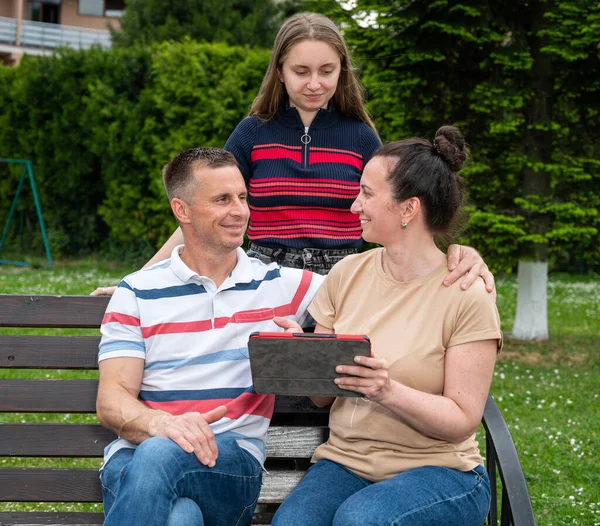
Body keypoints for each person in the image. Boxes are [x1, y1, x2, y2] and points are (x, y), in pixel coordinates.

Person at [92, 12, 493, 296]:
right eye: (301, 71)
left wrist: (457, 253)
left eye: (327, 71)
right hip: (259, 282)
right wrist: (138, 281)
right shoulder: (252, 133)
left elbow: (399, 214)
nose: (315, 83)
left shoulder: (361, 138)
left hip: (344, 283)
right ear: (280, 70)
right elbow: (202, 213)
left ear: (342, 70)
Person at [272, 126, 502, 526]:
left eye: (366, 193)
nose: (353, 206)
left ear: (408, 209)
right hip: (346, 464)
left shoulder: (467, 293)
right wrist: (303, 357)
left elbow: (462, 419)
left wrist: (388, 391)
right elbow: (322, 398)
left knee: (363, 519)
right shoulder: (346, 274)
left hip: (441, 471)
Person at [96, 147, 323, 526]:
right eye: (222, 199)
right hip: (135, 462)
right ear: (182, 210)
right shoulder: (137, 292)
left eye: (242, 197)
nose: (240, 211)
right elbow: (111, 399)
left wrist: (455, 254)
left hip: (230, 465)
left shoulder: (277, 284)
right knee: (181, 518)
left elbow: (377, 286)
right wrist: (164, 425)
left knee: (159, 456)